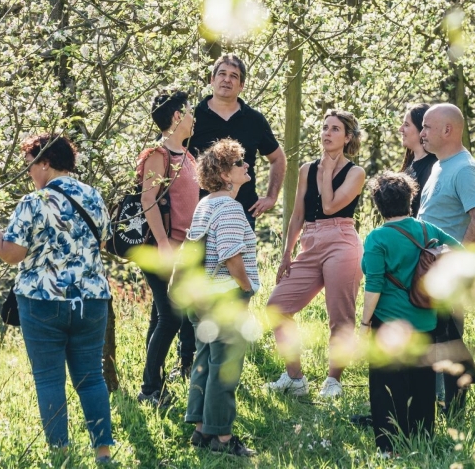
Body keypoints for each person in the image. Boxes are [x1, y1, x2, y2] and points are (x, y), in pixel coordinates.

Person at [0, 134, 114, 464]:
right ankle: (103, 453)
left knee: (49, 379)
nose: (29, 173)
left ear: (45, 163)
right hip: (92, 301)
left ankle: (61, 455)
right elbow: (103, 243)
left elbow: (10, 254)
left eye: (30, 166)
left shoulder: (33, 203)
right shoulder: (93, 196)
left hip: (42, 302)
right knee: (91, 378)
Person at [359, 172, 461, 455]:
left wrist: (365, 323)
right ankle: (422, 443)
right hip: (426, 321)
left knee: (386, 386)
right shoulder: (427, 229)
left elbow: (374, 285)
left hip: (389, 326)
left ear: (378, 204)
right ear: (410, 199)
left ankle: (388, 448)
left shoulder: (377, 238)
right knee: (423, 386)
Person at [266, 109, 366, 398]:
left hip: (341, 241)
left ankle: (333, 381)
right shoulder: (306, 170)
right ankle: (295, 378)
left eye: (335, 129)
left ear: (347, 138)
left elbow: (331, 206)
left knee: (340, 316)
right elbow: (298, 214)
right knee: (276, 307)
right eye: (324, 127)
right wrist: (287, 253)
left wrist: (328, 170)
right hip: (310, 242)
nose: (327, 133)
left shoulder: (356, 173)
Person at [183, 139, 259, 457]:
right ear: (226, 174)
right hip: (225, 298)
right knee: (225, 368)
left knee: (204, 362)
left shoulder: (205, 205)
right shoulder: (229, 207)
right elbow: (231, 256)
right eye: (240, 163)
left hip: (201, 298)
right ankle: (223, 438)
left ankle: (201, 430)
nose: (247, 165)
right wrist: (246, 287)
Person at [419, 103, 475, 413]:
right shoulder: (440, 164)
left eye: (427, 127)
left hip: (445, 273)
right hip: (427, 270)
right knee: (431, 337)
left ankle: (453, 413)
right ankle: (430, 406)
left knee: (447, 339)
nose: (422, 133)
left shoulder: (463, 169)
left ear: (447, 130)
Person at [137, 91, 199, 406]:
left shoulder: (187, 155)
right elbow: (148, 199)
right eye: (189, 111)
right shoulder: (158, 154)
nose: (193, 117)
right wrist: (163, 244)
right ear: (177, 116)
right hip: (162, 250)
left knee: (162, 317)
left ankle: (155, 386)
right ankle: (149, 390)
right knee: (171, 318)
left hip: (183, 251)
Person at [188, 53, 286, 228]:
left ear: (241, 85)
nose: (227, 80)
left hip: (243, 212)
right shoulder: (192, 117)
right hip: (199, 211)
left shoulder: (254, 120)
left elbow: (278, 158)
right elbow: (167, 152)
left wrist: (271, 197)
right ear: (212, 79)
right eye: (222, 74)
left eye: (234, 76)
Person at [399, 103, 437, 217]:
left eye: (406, 125)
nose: (400, 129)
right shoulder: (409, 164)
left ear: (421, 129)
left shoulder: (434, 167)